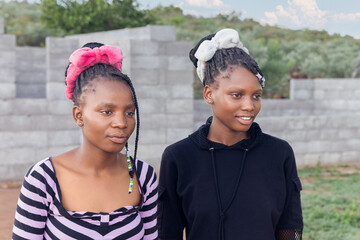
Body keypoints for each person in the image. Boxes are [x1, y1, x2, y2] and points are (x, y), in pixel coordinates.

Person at [158, 29, 303, 240]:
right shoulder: (178, 157)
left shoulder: (279, 154)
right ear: (209, 94)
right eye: (237, 95)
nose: (249, 106)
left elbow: (290, 226)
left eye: (256, 96)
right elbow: (167, 233)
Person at [12, 42, 158, 240]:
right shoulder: (43, 179)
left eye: (129, 112)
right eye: (107, 112)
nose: (121, 123)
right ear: (78, 115)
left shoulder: (143, 176)